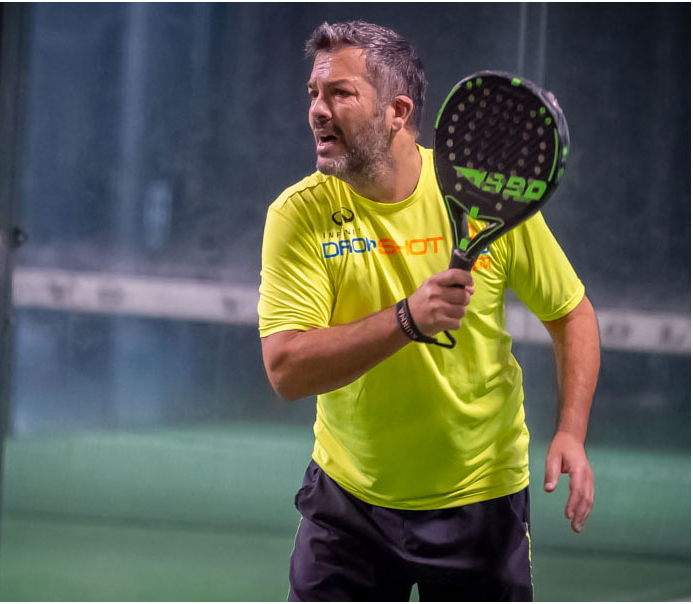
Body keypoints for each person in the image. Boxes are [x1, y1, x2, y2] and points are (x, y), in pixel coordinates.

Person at [257, 20, 600, 602]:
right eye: (314, 93)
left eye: (340, 93)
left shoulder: (485, 193)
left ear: (397, 111)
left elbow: (572, 314)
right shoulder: (299, 214)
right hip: (348, 504)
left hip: (480, 499)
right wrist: (406, 320)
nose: (317, 110)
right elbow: (286, 369)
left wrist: (571, 431)